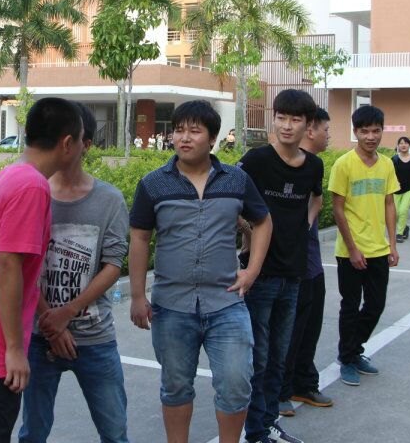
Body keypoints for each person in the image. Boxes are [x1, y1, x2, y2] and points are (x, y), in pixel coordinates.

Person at [128, 100, 272, 443]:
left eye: (194, 131)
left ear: (213, 139)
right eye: (179, 130)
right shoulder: (153, 184)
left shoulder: (236, 179)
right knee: (176, 386)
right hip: (171, 306)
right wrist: (136, 295)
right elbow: (139, 238)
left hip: (226, 303)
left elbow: (263, 221)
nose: (184, 138)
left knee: (236, 384)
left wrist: (251, 271)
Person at [0, 97, 83, 443]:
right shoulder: (32, 186)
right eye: (82, 141)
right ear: (67, 143)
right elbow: (7, 266)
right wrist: (14, 349)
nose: (84, 149)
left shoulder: (10, 175)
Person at [20, 104, 129, 443]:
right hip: (40, 337)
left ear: (85, 144)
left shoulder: (109, 200)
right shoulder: (34, 193)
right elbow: (22, 267)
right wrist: (51, 324)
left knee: (115, 432)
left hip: (95, 337)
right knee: (32, 433)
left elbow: (113, 265)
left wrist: (67, 312)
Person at [236, 90, 323, 443]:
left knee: (278, 357)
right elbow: (229, 198)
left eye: (295, 119)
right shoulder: (256, 160)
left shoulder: (313, 165)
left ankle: (267, 422)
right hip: (259, 274)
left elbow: (317, 198)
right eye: (281, 117)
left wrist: (304, 226)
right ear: (273, 119)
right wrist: (251, 231)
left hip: (293, 274)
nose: (286, 125)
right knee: (259, 356)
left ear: (308, 125)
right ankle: (256, 429)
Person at [328, 105, 400, 387]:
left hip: (379, 249)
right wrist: (353, 249)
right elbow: (337, 209)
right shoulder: (343, 164)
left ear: (382, 131)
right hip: (350, 251)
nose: (371, 137)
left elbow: (389, 204)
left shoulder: (387, 164)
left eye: (376, 131)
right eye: (364, 131)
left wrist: (392, 244)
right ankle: (348, 358)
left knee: (376, 305)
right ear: (355, 132)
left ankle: (351, 350)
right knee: (349, 306)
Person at [278, 108, 334, 416]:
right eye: (326, 129)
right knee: (289, 330)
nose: (329, 136)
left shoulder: (314, 166)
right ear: (311, 130)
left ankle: (304, 381)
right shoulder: (280, 166)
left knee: (309, 328)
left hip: (312, 264)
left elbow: (316, 202)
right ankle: (280, 390)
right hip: (290, 266)